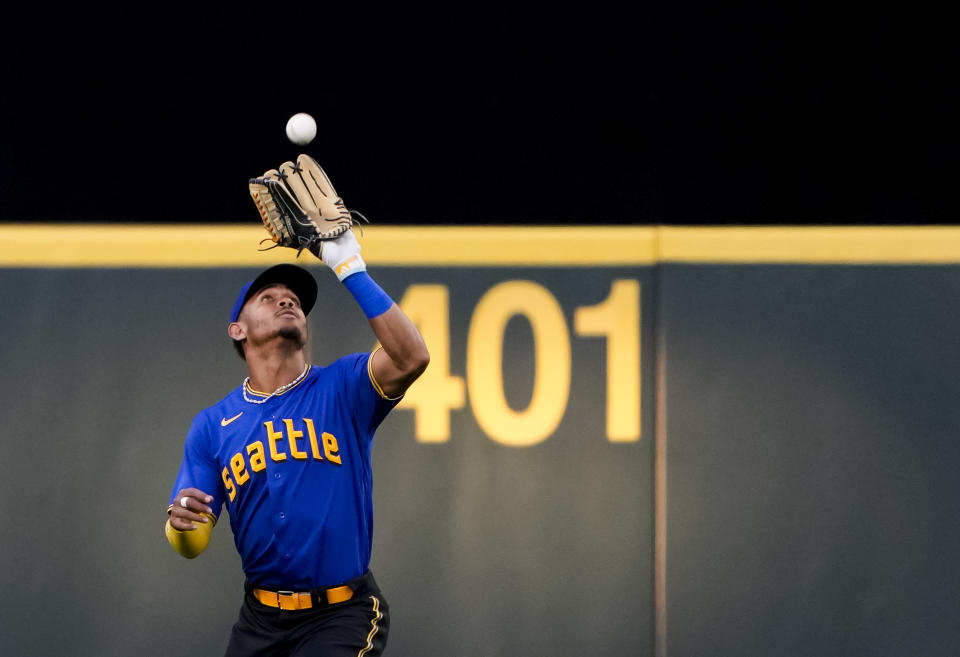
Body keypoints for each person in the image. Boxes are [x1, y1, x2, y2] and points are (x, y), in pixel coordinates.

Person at [164, 228, 429, 657]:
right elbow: (191, 539)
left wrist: (349, 266)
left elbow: (411, 357)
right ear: (238, 329)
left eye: (295, 300)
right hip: (260, 621)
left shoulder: (343, 386)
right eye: (267, 297)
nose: (287, 300)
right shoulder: (212, 425)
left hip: (341, 614)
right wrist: (180, 526)